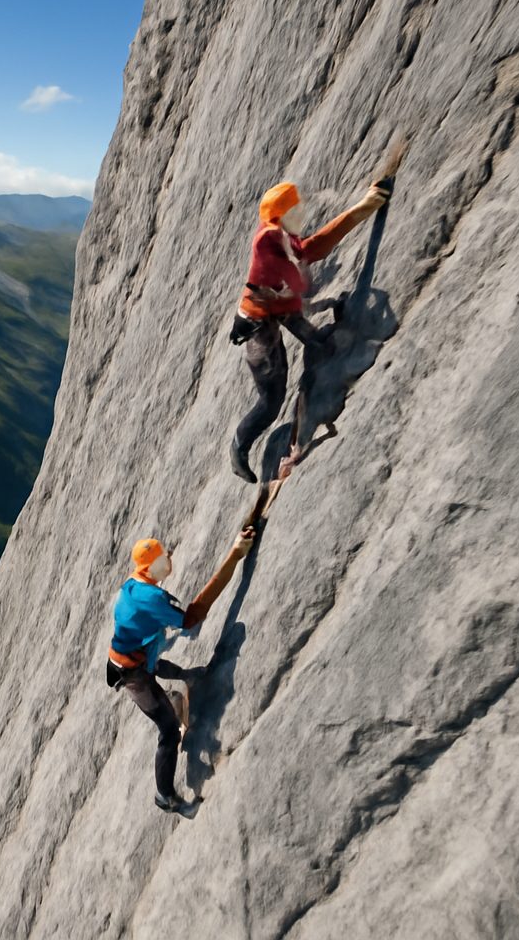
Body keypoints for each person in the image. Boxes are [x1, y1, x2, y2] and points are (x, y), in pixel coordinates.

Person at [227, 180, 390, 482]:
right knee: (271, 400)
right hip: (259, 324)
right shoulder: (268, 244)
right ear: (280, 216)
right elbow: (306, 264)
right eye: (294, 209)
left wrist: (364, 208)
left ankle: (322, 366)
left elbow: (314, 248)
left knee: (320, 344)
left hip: (279, 307)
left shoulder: (281, 237)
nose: (301, 212)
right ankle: (239, 448)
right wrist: (364, 208)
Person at [106, 527, 255, 812]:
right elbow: (192, 617)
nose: (169, 560)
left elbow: (151, 584)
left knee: (155, 666)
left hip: (130, 657)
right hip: (133, 673)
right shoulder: (151, 598)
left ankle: (186, 679)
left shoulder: (134, 583)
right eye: (164, 558)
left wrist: (163, 559)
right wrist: (235, 556)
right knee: (169, 732)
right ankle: (165, 797)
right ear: (151, 566)